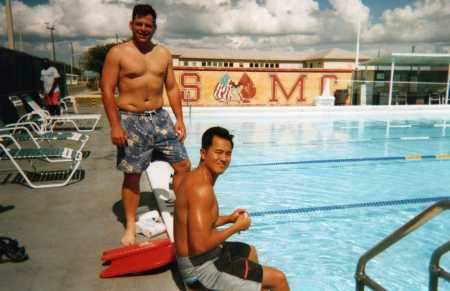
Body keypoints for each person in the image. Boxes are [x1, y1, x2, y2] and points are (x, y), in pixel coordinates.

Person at [101, 4, 191, 246]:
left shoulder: (163, 54)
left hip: (160, 118)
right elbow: (107, 90)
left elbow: (172, 88)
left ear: (154, 27)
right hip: (131, 120)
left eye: (148, 25)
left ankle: (182, 211)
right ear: (131, 25)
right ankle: (130, 226)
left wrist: (179, 119)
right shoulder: (117, 53)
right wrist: (115, 125)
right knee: (133, 175)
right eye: (139, 24)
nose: (143, 29)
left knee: (183, 165)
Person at [173, 127, 290, 291]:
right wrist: (236, 227)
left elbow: (199, 223)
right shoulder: (201, 189)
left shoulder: (194, 178)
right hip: (200, 271)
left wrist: (228, 218)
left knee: (250, 252)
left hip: (198, 260)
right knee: (279, 279)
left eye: (228, 154)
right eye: (218, 152)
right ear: (203, 153)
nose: (224, 158)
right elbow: (199, 245)